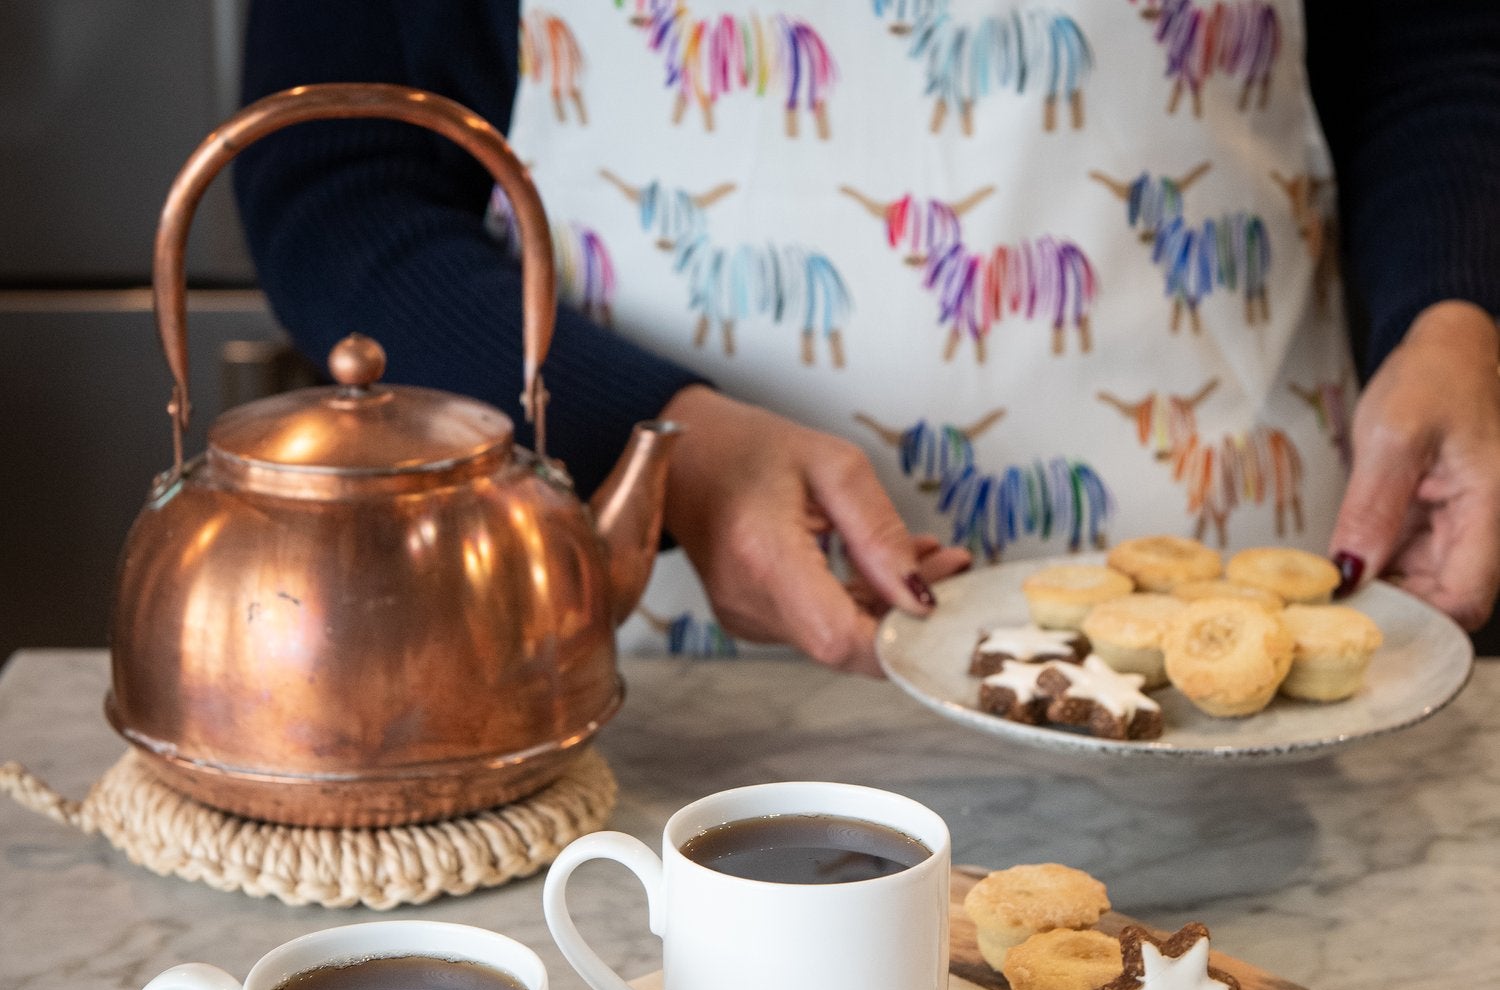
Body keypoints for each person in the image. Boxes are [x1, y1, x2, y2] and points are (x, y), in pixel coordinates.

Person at [236, 0, 1500, 675]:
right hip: (672, 687)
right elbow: (339, 177)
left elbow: (1440, 49)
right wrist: (660, 448)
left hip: (1258, 659)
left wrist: (1456, 312)